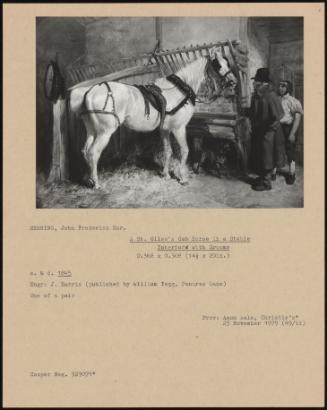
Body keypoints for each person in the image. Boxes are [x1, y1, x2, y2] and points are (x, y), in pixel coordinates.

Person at [248, 68, 285, 191]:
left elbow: (279, 115)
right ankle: (262, 177)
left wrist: (269, 131)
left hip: (269, 132)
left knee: (267, 155)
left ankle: (267, 182)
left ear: (263, 83)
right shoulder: (257, 95)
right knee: (260, 154)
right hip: (259, 130)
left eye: (256, 81)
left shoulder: (270, 95)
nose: (254, 83)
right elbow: (254, 112)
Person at [276, 80, 303, 184]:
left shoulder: (293, 101)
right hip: (277, 127)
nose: (280, 88)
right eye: (279, 86)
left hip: (288, 128)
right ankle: (273, 172)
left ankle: (291, 174)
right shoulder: (276, 99)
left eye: (283, 86)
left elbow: (298, 117)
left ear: (288, 88)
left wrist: (292, 133)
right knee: (277, 148)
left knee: (290, 150)